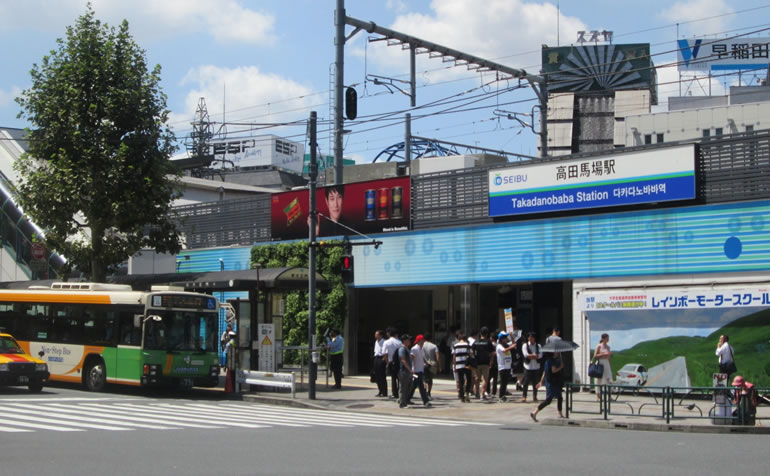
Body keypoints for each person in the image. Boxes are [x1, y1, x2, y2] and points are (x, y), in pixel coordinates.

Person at [530, 351, 565, 422]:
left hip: (550, 383)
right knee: (548, 400)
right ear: (554, 353)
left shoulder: (547, 361)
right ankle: (534, 412)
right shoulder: (553, 361)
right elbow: (553, 370)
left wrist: (541, 382)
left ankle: (560, 414)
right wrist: (561, 367)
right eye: (556, 351)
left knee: (560, 397)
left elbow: (544, 372)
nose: (557, 352)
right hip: (552, 383)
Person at [408, 334, 432, 407]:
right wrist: (410, 369)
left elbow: (422, 358)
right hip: (415, 371)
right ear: (419, 340)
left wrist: (426, 363)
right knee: (421, 386)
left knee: (414, 385)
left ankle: (407, 398)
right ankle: (425, 401)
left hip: (420, 370)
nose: (424, 341)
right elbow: (411, 358)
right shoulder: (414, 349)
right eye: (422, 340)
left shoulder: (421, 349)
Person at [472, 327, 495, 400]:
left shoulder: (475, 342)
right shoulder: (488, 342)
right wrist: (491, 361)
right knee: (485, 379)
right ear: (487, 334)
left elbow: (472, 353)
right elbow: (492, 353)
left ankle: (477, 393)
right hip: (485, 363)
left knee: (477, 379)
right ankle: (483, 394)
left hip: (477, 363)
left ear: (480, 333)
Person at [521, 332, 543, 403]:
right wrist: (534, 356)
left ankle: (535, 396)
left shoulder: (538, 346)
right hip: (528, 367)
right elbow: (526, 355)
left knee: (535, 383)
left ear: (534, 338)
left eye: (532, 337)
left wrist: (532, 356)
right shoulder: (525, 345)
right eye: (529, 337)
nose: (530, 339)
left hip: (536, 367)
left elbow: (540, 355)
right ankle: (524, 396)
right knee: (526, 382)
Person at [495, 331, 516, 402]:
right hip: (502, 366)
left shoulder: (506, 345)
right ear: (501, 339)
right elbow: (504, 350)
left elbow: (513, 344)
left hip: (508, 366)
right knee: (503, 382)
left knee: (506, 382)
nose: (506, 339)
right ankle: (501, 396)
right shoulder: (499, 346)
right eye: (505, 338)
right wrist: (511, 347)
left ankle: (503, 395)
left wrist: (512, 336)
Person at [453, 331, 473, 403]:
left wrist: (455, 366)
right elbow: (471, 354)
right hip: (467, 365)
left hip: (459, 365)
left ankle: (461, 396)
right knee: (469, 380)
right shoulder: (468, 345)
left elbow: (454, 356)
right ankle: (467, 393)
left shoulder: (455, 346)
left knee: (461, 381)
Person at [383, 327, 402, 399]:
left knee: (393, 378)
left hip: (391, 362)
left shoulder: (386, 342)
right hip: (399, 362)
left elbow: (385, 354)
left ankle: (395, 393)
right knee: (399, 378)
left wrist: (387, 362)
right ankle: (400, 392)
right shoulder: (400, 342)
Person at [397, 335, 415, 408]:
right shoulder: (402, 349)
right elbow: (403, 360)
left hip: (407, 371)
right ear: (404, 341)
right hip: (404, 371)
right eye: (408, 340)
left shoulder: (407, 348)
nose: (409, 341)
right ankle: (402, 403)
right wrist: (409, 369)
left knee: (409, 386)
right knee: (403, 387)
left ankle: (405, 400)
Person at [594, 333, 612, 400]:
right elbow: (595, 355)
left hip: (606, 363)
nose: (608, 339)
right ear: (603, 338)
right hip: (601, 363)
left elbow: (609, 357)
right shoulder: (599, 346)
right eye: (607, 338)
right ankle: (598, 396)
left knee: (608, 379)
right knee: (599, 379)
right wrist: (604, 353)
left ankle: (609, 396)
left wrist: (610, 365)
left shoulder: (608, 347)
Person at [421, 334, 440, 399]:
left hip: (424, 364)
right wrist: (438, 366)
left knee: (425, 379)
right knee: (430, 379)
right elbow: (437, 357)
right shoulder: (434, 346)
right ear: (430, 339)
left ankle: (424, 392)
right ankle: (429, 393)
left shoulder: (422, 346)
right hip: (432, 364)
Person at [372, 330, 388, 397]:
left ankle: (384, 392)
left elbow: (385, 352)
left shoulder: (384, 342)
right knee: (377, 375)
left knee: (382, 376)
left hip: (381, 358)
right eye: (375, 334)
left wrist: (384, 360)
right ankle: (380, 390)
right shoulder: (376, 342)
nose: (375, 335)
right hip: (376, 357)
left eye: (377, 334)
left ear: (381, 335)